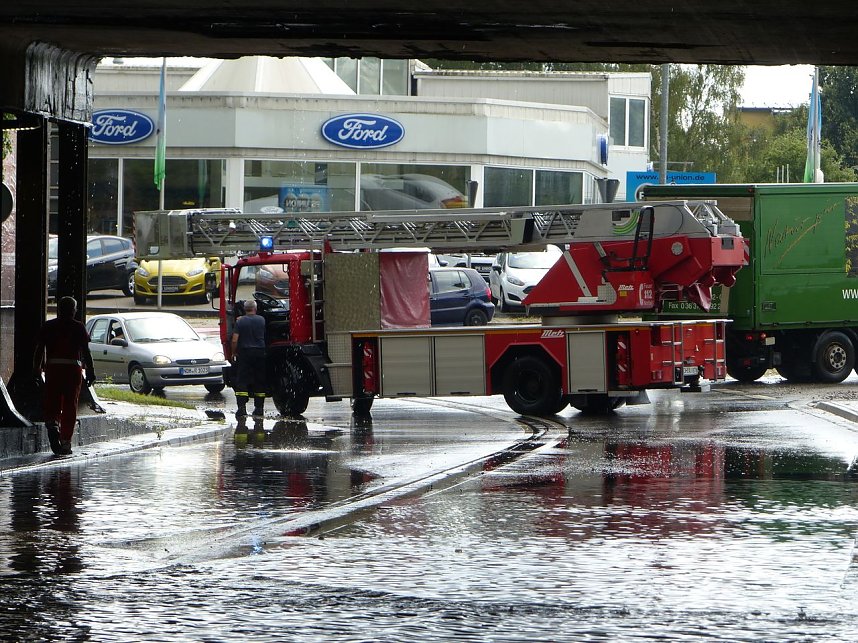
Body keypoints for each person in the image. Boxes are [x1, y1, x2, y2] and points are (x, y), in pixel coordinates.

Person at [33, 296, 96, 456]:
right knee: (70, 405)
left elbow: (39, 349)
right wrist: (90, 370)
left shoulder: (48, 326)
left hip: (53, 369)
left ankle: (53, 424)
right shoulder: (78, 327)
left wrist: (36, 368)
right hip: (72, 370)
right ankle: (65, 441)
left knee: (52, 400)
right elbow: (86, 351)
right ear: (73, 310)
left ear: (59, 309)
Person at [230, 299, 267, 419]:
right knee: (260, 380)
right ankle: (259, 409)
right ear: (255, 309)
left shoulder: (240, 322)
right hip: (260, 353)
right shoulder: (262, 320)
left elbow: (234, 340)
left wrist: (233, 352)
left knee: (242, 380)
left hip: (245, 353)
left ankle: (241, 409)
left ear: (244, 309)